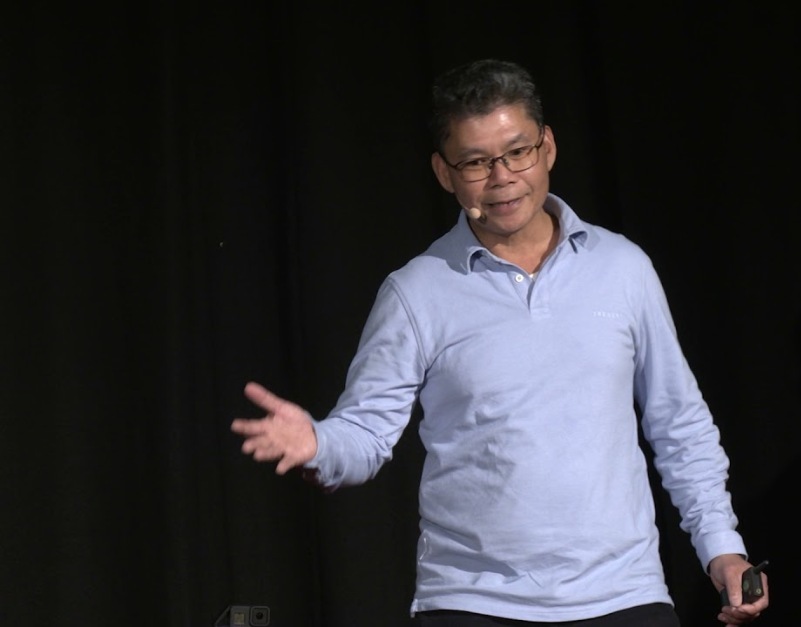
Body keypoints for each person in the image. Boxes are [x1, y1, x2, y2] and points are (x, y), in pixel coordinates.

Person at [230, 58, 769, 626]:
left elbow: (678, 423)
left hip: (624, 596)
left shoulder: (623, 267)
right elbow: (365, 433)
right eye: (476, 162)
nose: (503, 176)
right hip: (472, 602)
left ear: (548, 148)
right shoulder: (417, 291)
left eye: (517, 152)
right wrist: (319, 443)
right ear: (444, 173)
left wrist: (721, 548)